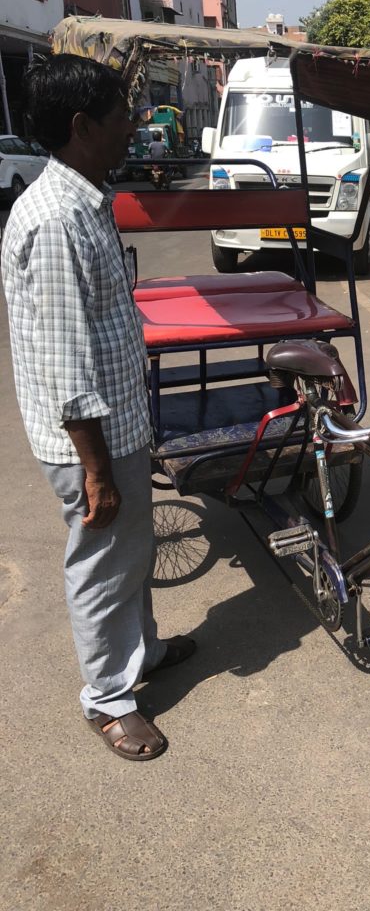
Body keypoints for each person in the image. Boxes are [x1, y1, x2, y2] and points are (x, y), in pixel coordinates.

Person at [1, 54, 195, 761]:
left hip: (115, 428)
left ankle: (139, 651)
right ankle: (109, 701)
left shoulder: (85, 200)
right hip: (91, 442)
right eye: (123, 119)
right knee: (101, 562)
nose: (133, 131)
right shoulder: (55, 221)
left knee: (131, 553)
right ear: (82, 127)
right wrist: (97, 470)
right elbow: (65, 363)